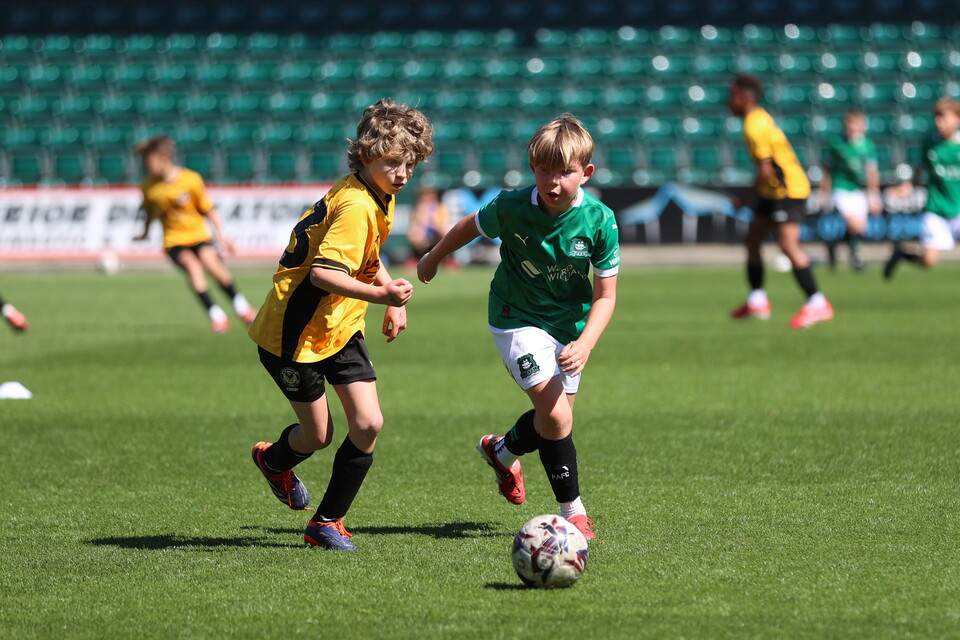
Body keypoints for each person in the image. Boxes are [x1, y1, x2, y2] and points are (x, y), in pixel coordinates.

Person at [417, 114, 620, 540]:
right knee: (558, 415)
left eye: (564, 171)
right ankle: (574, 512)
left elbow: (605, 296)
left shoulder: (600, 221)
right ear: (533, 168)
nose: (552, 181)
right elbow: (467, 227)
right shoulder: (512, 206)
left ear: (586, 173)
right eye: (543, 169)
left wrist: (584, 342)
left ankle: (502, 450)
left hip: (569, 326)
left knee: (553, 424)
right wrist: (432, 258)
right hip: (515, 319)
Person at [248, 99, 433, 550]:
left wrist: (390, 297)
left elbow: (366, 256)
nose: (403, 173)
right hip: (293, 335)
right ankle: (274, 462)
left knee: (368, 423)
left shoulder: (374, 194)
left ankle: (326, 523)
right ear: (366, 155)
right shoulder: (356, 206)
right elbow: (323, 274)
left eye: (410, 163)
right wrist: (382, 295)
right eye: (392, 162)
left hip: (340, 324)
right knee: (318, 435)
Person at [726, 74, 834, 329]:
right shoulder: (759, 118)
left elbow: (765, 170)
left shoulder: (755, 125)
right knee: (753, 239)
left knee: (788, 245)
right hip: (773, 191)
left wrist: (744, 199)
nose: (729, 102)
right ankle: (757, 299)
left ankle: (818, 302)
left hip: (787, 190)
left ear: (744, 97)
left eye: (732, 96)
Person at [133, 135, 256, 333]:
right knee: (193, 267)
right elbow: (150, 213)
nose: (147, 167)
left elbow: (208, 209)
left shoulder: (190, 180)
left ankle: (242, 308)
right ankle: (217, 316)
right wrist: (145, 233)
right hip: (173, 240)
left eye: (149, 161)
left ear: (165, 157)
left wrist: (221, 236)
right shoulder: (148, 186)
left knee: (213, 266)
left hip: (198, 236)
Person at [883, 98, 960, 278]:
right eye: (937, 118)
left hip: (958, 208)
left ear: (957, 119)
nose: (939, 123)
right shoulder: (930, 144)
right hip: (936, 208)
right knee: (929, 261)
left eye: (944, 118)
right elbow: (921, 170)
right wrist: (907, 187)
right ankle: (902, 254)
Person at [819, 110, 884, 270]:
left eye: (856, 124)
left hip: (857, 189)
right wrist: (824, 191)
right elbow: (828, 169)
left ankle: (834, 245)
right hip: (841, 187)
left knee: (860, 227)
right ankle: (856, 256)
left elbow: (872, 172)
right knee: (854, 225)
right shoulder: (837, 144)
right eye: (850, 124)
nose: (853, 127)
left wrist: (874, 196)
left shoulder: (867, 145)